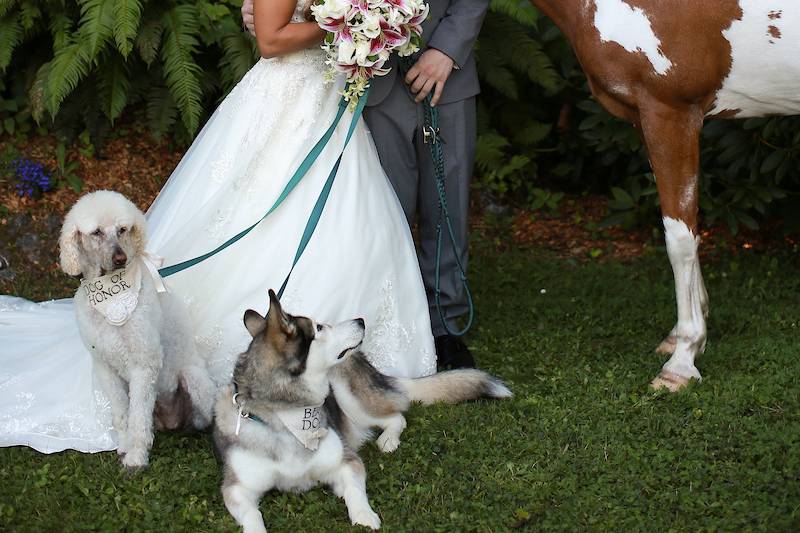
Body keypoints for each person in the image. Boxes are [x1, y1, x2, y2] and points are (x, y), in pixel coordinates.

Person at [0, 0, 435, 454]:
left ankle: (342, 356)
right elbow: (269, 40)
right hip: (288, 107)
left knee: (354, 219)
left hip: (327, 97)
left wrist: (376, 23)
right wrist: (343, 27)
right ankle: (274, 358)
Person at [244, 0, 490, 368]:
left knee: (446, 205)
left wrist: (446, 50)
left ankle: (444, 326)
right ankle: (394, 319)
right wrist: (259, 13)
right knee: (386, 210)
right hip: (370, 79)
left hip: (446, 74)